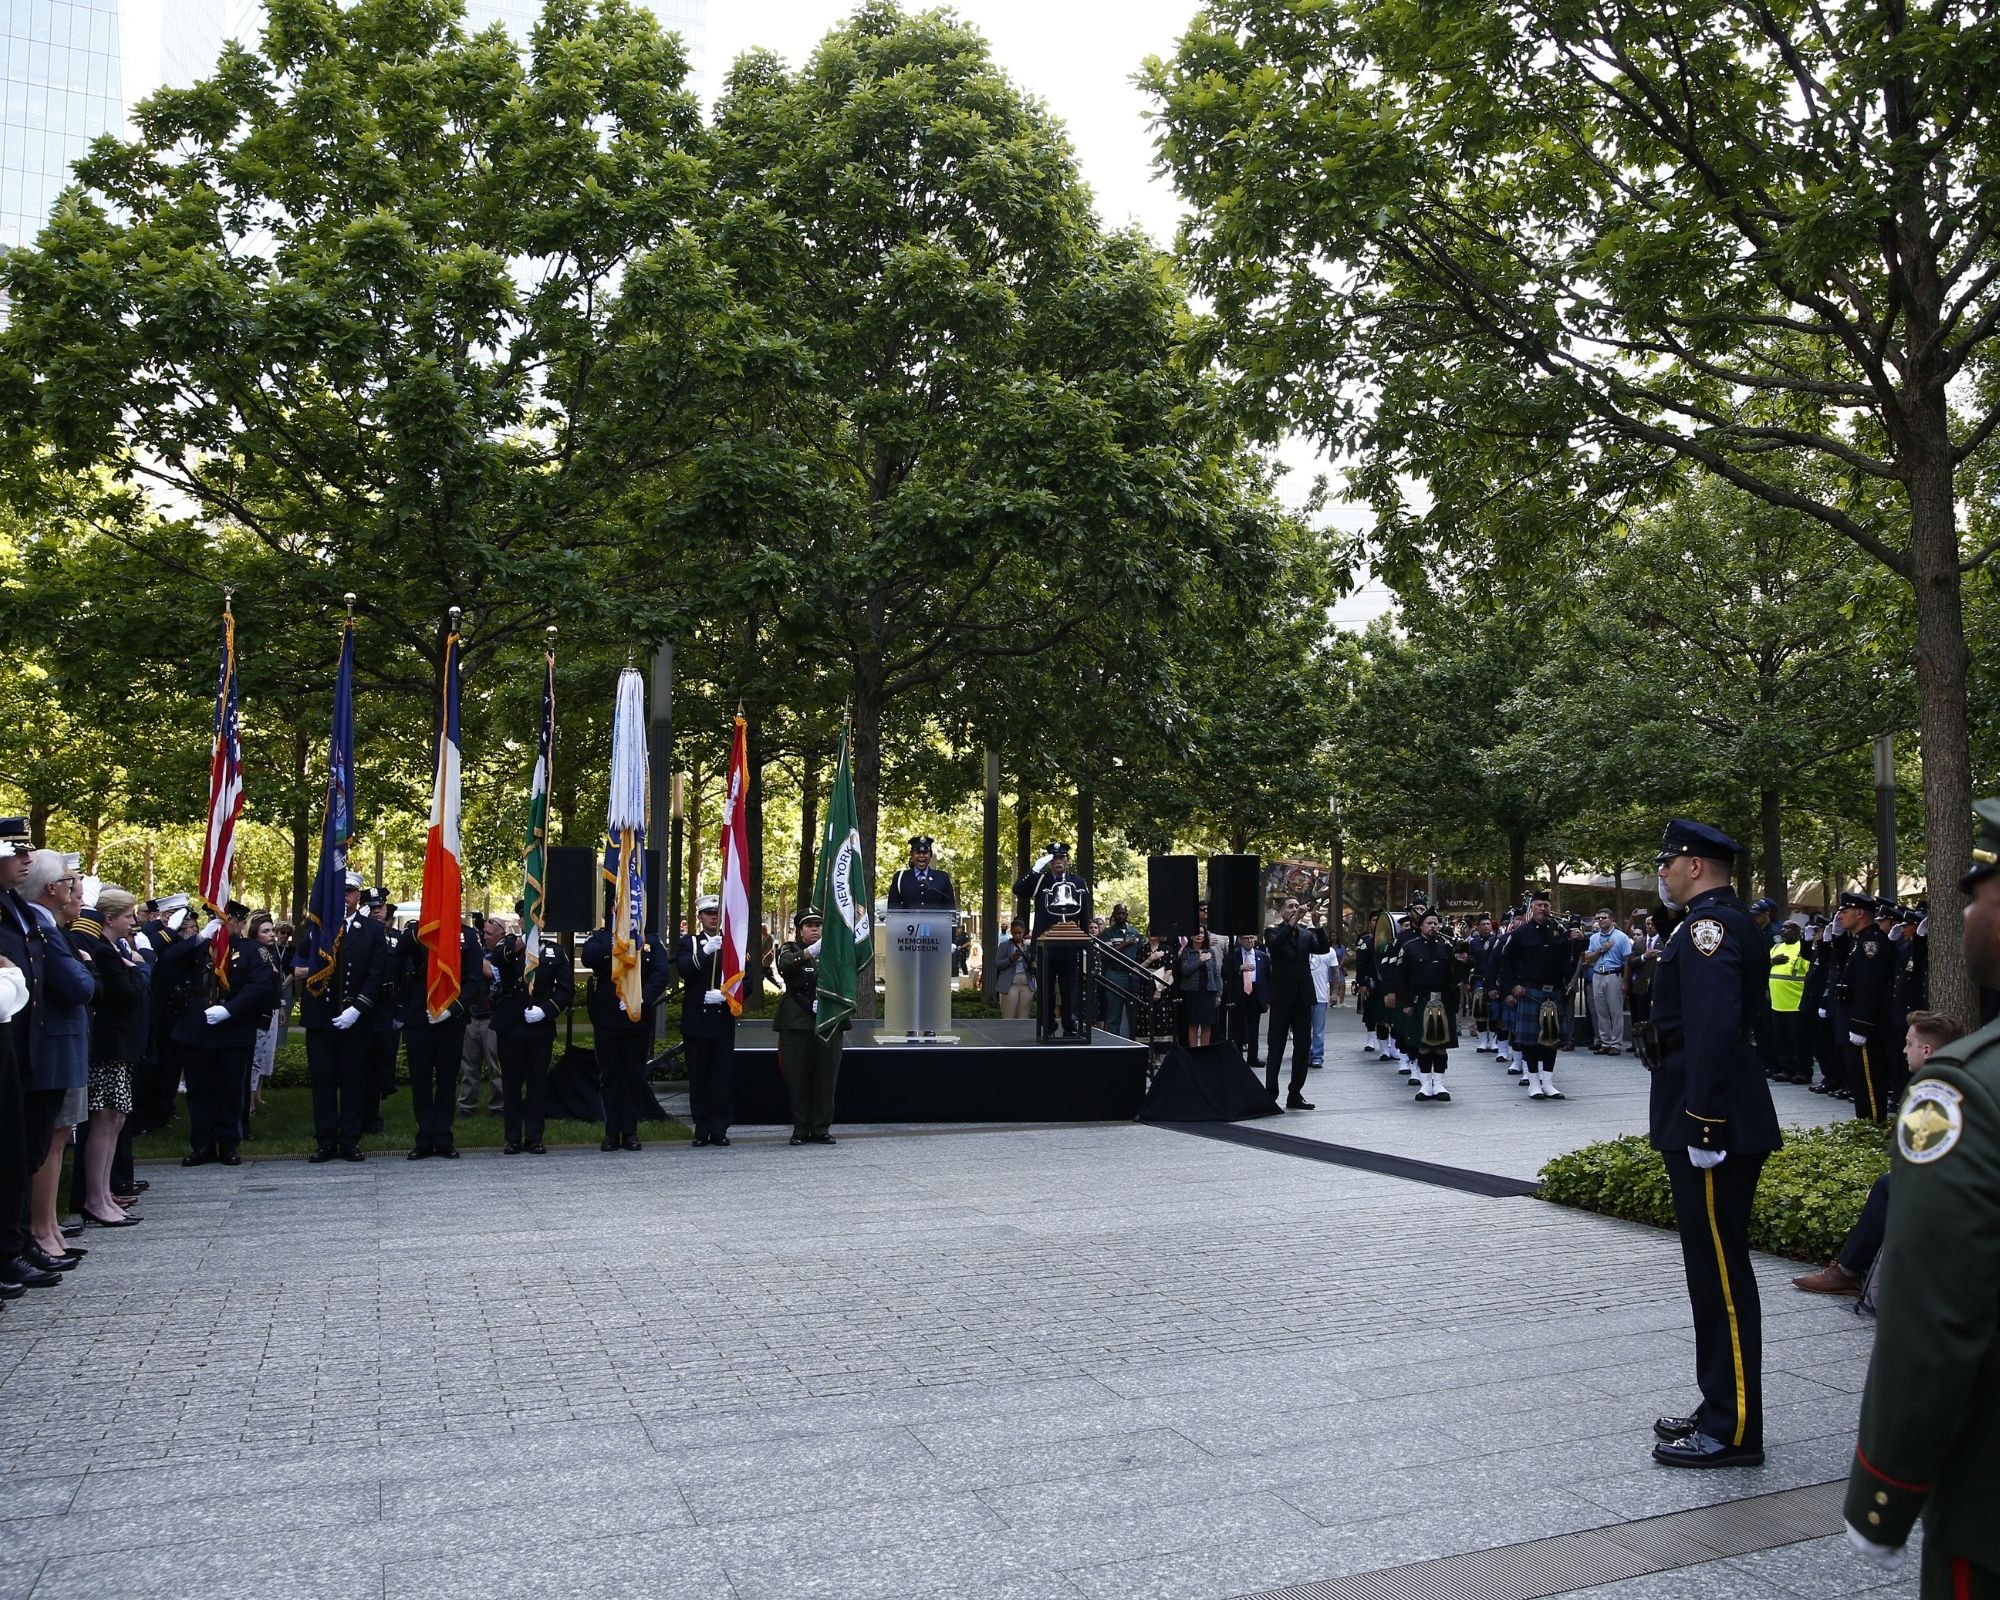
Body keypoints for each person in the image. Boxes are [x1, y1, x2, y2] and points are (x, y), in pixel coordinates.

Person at [1842, 796, 2000, 1595]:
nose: (1967, 912)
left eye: (1978, 894)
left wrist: (1884, 1491)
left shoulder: (1966, 1090)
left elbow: (1934, 1311)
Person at [1644, 819, 1782, 1468]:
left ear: (1695, 865)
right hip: (1709, 1109)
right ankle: (1719, 1403)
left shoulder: (1710, 928)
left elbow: (1713, 1025)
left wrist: (1702, 1123)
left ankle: (1733, 1429)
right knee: (1711, 1273)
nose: (1662, 872)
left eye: (1667, 862)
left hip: (1712, 1119)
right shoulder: (1712, 921)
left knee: (1721, 1276)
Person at [1794, 1008, 1968, 1296]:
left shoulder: (1934, 1094)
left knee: (1888, 1186)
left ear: (1926, 1050)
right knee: (1888, 1183)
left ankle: (1847, 1272)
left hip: (1959, 1194)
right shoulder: (1962, 1081)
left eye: (1909, 1043)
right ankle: (1848, 1271)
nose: (1903, 1050)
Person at [157, 899, 279, 1167]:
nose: (226, 926)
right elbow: (168, 960)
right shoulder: (200, 947)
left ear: (238, 923)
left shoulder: (251, 950)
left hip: (232, 1029)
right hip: (197, 1027)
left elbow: (259, 987)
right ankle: (202, 1144)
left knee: (230, 1090)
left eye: (229, 921)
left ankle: (228, 1144)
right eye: (219, 920)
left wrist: (230, 1010)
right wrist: (199, 937)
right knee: (198, 1090)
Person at [21, 850, 94, 1271]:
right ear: (53, 889)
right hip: (49, 1046)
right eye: (70, 883)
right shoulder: (43, 930)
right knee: (48, 1142)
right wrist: (85, 970)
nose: (74, 890)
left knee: (57, 1138)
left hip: (61, 1044)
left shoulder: (50, 928)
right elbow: (79, 984)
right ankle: (41, 1231)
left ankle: (48, 1228)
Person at [297, 871, 391, 1163]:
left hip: (356, 1019)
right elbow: (299, 964)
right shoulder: (316, 927)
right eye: (339, 890)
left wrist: (357, 1009)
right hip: (321, 1018)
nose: (344, 896)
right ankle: (325, 1140)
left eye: (349, 891)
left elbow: (377, 975)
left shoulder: (372, 930)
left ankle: (350, 1139)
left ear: (358, 897)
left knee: (354, 1081)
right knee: (323, 1081)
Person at [70, 888, 147, 1224]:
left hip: (119, 1044)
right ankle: (95, 1197)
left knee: (115, 1120)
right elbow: (127, 996)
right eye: (128, 916)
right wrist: (134, 970)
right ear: (110, 918)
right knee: (105, 1119)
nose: (133, 922)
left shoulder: (112, 949)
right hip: (108, 1046)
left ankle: (103, 1194)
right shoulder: (103, 951)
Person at [580, 914, 670, 1152]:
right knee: (610, 1076)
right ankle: (611, 1132)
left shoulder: (650, 940)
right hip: (608, 1017)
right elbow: (588, 958)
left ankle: (630, 1131)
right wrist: (615, 944)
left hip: (637, 1018)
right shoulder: (601, 937)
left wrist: (641, 998)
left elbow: (661, 974)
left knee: (633, 1075)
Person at [396, 912, 482, 1160]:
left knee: (447, 1077)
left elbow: (474, 981)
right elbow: (401, 952)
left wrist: (453, 1010)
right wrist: (424, 925)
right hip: (419, 1014)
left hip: (450, 1020)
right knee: (420, 1079)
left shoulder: (468, 936)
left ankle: (443, 1136)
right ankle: (424, 1136)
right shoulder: (421, 930)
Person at [490, 922, 572, 1156]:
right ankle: (513, 1138)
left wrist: (546, 1010)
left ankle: (534, 1137)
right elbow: (496, 960)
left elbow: (565, 989)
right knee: (511, 1083)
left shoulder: (553, 951)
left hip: (539, 1026)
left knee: (537, 1083)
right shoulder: (509, 945)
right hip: (511, 1025)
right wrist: (522, 943)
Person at [775, 910, 844, 1145]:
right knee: (798, 1077)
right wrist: (808, 953)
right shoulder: (790, 949)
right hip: (797, 1021)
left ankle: (821, 1128)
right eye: (809, 926)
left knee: (826, 1078)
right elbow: (785, 966)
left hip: (828, 1021)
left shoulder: (834, 950)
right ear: (799, 930)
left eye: (818, 925)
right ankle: (801, 1128)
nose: (814, 929)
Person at [676, 895, 737, 1148]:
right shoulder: (689, 942)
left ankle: (719, 1129)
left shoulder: (732, 944)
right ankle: (701, 1128)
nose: (713, 917)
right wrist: (704, 951)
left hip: (721, 1020)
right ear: (699, 917)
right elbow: (684, 970)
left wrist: (725, 995)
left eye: (716, 913)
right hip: (697, 1023)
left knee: (721, 1078)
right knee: (699, 1078)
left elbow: (748, 981)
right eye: (708, 913)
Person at [1499, 890, 1570, 1100]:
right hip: (1530, 991)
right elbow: (1506, 961)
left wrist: (1578, 941)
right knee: (1531, 1042)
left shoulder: (1559, 931)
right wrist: (1512, 986)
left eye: (1546, 905)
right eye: (1539, 905)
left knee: (1551, 1039)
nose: (1543, 909)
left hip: (1554, 991)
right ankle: (1533, 1083)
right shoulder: (1520, 933)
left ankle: (1548, 1083)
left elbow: (1568, 960)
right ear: (1532, 908)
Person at [1832, 889, 1896, 1120]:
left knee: (1869, 1083)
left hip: (1867, 1027)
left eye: (1845, 911)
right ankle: (1865, 1127)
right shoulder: (1858, 941)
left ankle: (1873, 1128)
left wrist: (1861, 1025)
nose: (1840, 916)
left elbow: (1870, 988)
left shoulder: (1872, 944)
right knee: (1858, 1081)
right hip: (1853, 1021)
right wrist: (1837, 940)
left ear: (1860, 913)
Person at [1013, 842, 1088, 1035]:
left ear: (1068, 860)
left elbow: (1084, 914)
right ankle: (1047, 1025)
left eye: (1062, 858)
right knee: (1045, 989)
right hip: (1044, 945)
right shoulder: (1041, 880)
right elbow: (1018, 889)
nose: (1058, 862)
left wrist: (1086, 942)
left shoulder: (1078, 882)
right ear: (1049, 862)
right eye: (1054, 858)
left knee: (1069, 988)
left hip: (1069, 944)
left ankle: (1070, 1025)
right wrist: (1035, 869)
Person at [1388, 908, 1463, 1102]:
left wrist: (1463, 963)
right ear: (1421, 925)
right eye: (1429, 923)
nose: (1433, 926)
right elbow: (1400, 977)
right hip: (1419, 1000)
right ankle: (1425, 1085)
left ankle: (1438, 1084)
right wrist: (1404, 1002)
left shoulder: (1446, 946)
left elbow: (1455, 977)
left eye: (1435, 923)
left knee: (1440, 1046)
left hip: (1443, 1000)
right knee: (1423, 1045)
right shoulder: (1410, 947)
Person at [1262, 897, 1326, 1110]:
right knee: (1276, 1046)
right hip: (1281, 997)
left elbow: (1323, 949)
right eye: (1290, 906)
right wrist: (1293, 922)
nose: (1295, 909)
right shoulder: (1272, 931)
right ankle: (1270, 1093)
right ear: (1282, 912)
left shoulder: (1306, 934)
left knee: (1302, 1047)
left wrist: (1317, 926)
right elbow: (1276, 944)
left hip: (1302, 997)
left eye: (1297, 906)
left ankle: (1295, 1093)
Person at [456, 916, 506, 1116]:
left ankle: (498, 1105)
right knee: (468, 1066)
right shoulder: (479, 952)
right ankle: (467, 1105)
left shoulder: (505, 953)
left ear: (501, 933)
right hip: (472, 1014)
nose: (484, 937)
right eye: (482, 933)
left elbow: (492, 974)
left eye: (488, 934)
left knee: (496, 1066)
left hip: (492, 1017)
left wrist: (473, 952)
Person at [245, 912, 286, 1120]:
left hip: (271, 1009)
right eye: (266, 931)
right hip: (258, 1012)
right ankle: (249, 1103)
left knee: (264, 1057)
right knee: (254, 1058)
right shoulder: (253, 953)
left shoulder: (272, 952)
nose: (272, 935)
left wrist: (281, 1005)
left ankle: (257, 1096)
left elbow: (276, 982)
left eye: (272, 930)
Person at [1766, 916, 1812, 1085]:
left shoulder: (1803, 948)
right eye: (1783, 927)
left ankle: (1803, 1071)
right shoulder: (1776, 947)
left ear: (1798, 932)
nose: (1783, 931)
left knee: (1799, 1040)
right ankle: (1787, 1069)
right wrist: (1771, 961)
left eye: (1789, 928)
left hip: (1796, 1001)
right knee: (1781, 1039)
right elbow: (1766, 966)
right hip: (1777, 1002)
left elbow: (1808, 969)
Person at [1584, 909, 1632, 1055]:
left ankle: (1616, 1043)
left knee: (1615, 1011)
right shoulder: (1594, 938)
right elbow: (1587, 958)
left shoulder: (1621, 937)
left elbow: (1627, 960)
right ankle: (1605, 1042)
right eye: (1597, 918)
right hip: (1598, 974)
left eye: (1603, 917)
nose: (1600, 920)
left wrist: (1625, 981)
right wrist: (1601, 950)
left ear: (1611, 918)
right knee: (1601, 1011)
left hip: (1613, 974)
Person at [1220, 931, 1268, 1077]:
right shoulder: (1233, 955)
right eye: (1246, 939)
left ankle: (1253, 1057)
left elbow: (1267, 977)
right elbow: (1224, 972)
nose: (1249, 941)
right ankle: (1238, 1056)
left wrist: (1266, 997)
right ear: (1240, 940)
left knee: (1254, 1027)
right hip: (1238, 994)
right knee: (1237, 1027)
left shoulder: (1262, 956)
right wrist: (1239, 969)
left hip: (1255, 994)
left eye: (1251, 938)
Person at [1098, 903, 1144, 1039]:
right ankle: (1113, 1044)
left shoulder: (1135, 933)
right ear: (1114, 914)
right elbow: (1107, 953)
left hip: (1132, 975)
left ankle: (1133, 1043)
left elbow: (1140, 953)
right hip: (1115, 974)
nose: (1120, 916)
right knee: (1113, 1013)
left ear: (1126, 915)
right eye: (1118, 913)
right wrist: (1126, 943)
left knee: (1133, 1013)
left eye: (1123, 913)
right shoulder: (1108, 932)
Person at [1175, 926, 1221, 1048]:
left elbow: (1216, 973)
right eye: (1196, 933)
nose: (1199, 935)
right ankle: (1193, 1053)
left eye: (1201, 933)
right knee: (1193, 1024)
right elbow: (1185, 970)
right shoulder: (1186, 951)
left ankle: (1204, 1052)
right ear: (1191, 936)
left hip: (1209, 991)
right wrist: (1200, 960)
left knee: (1207, 1024)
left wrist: (1218, 994)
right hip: (1192, 992)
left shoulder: (1210, 951)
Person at [885, 836, 957, 910]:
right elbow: (892, 907)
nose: (921, 856)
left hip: (935, 921)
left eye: (925, 852)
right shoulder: (900, 877)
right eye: (918, 852)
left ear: (930, 855)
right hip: (908, 921)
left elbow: (950, 908)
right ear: (912, 855)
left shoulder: (942, 878)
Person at [993, 919, 1034, 1019]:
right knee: (1009, 1015)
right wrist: (1010, 959)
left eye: (1020, 933)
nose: (1017, 935)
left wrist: (1033, 963)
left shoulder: (1028, 946)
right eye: (1015, 933)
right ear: (1011, 932)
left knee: (1023, 1016)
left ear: (1024, 931)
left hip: (1027, 984)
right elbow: (998, 964)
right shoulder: (1005, 945)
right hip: (1011, 984)